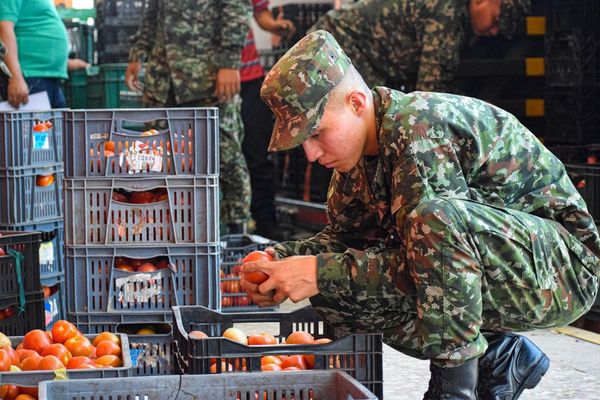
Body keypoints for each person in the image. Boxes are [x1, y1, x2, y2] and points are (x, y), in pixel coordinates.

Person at [240, 30, 600, 399]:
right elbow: (346, 244)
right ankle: (497, 357)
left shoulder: (418, 129)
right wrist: (283, 262)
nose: (311, 155)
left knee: (430, 223)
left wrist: (318, 271)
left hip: (561, 269)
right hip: (499, 268)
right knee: (334, 288)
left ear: (357, 103)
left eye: (317, 134)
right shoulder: (352, 168)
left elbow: (436, 257)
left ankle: (453, 391)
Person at [126, 0, 252, 234]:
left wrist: (229, 62)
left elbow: (236, 8)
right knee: (157, 159)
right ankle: (161, 232)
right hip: (164, 80)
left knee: (225, 156)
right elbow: (153, 10)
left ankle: (236, 234)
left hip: (207, 77)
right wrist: (138, 53)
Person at [308, 0, 531, 92]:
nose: (494, 32)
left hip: (336, 45)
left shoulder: (456, 15)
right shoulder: (448, 16)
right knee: (369, 122)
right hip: (340, 48)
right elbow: (427, 94)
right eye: (496, 21)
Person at [240, 0, 295, 240]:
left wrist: (275, 25)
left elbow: (260, 13)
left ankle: (265, 224)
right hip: (208, 82)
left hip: (249, 77)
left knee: (258, 152)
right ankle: (231, 224)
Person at [0, 0, 88, 108]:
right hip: (29, 76)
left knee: (56, 124)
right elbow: (4, 28)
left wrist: (65, 63)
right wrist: (15, 77)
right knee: (34, 124)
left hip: (48, 79)